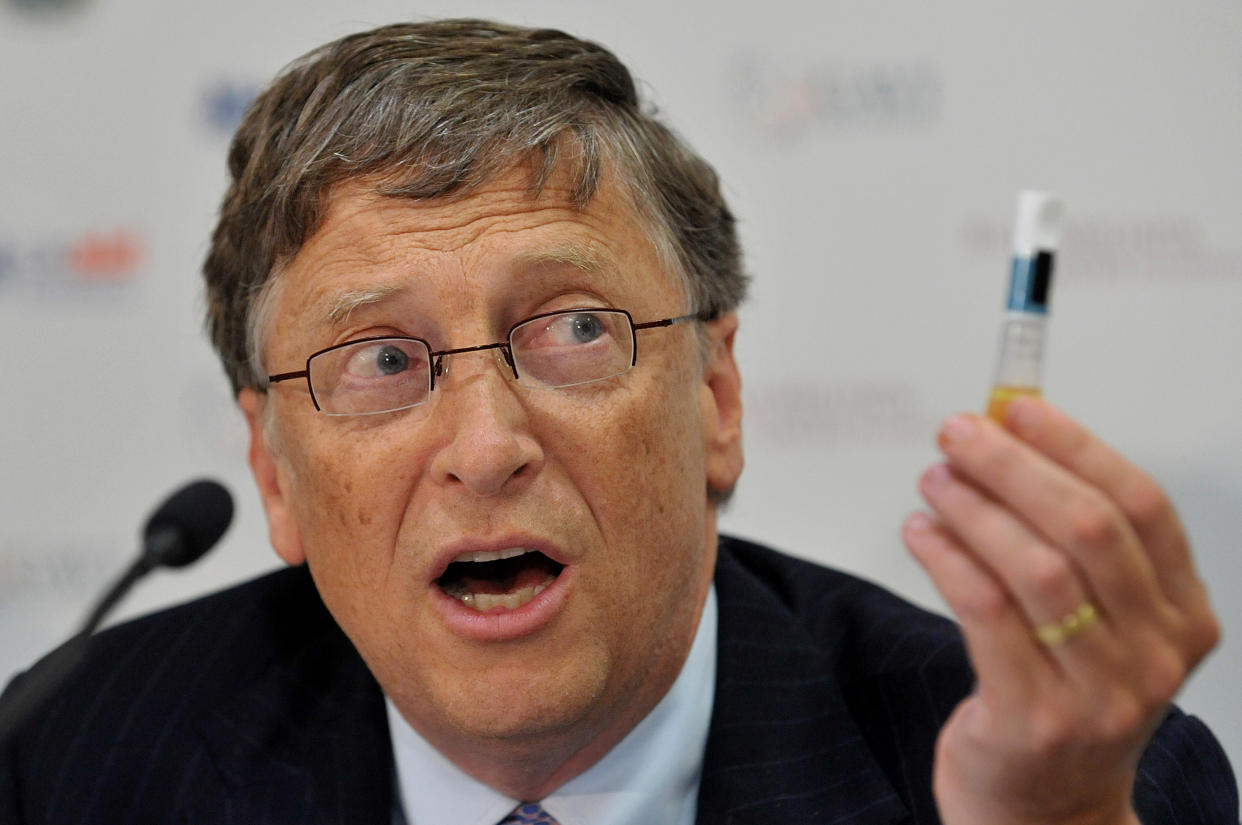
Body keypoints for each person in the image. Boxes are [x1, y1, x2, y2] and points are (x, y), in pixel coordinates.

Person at [1, 18, 1236, 825]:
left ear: (716, 396)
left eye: (577, 330)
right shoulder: (72, 767)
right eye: (382, 357)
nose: (487, 445)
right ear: (273, 470)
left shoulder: (1069, 782)